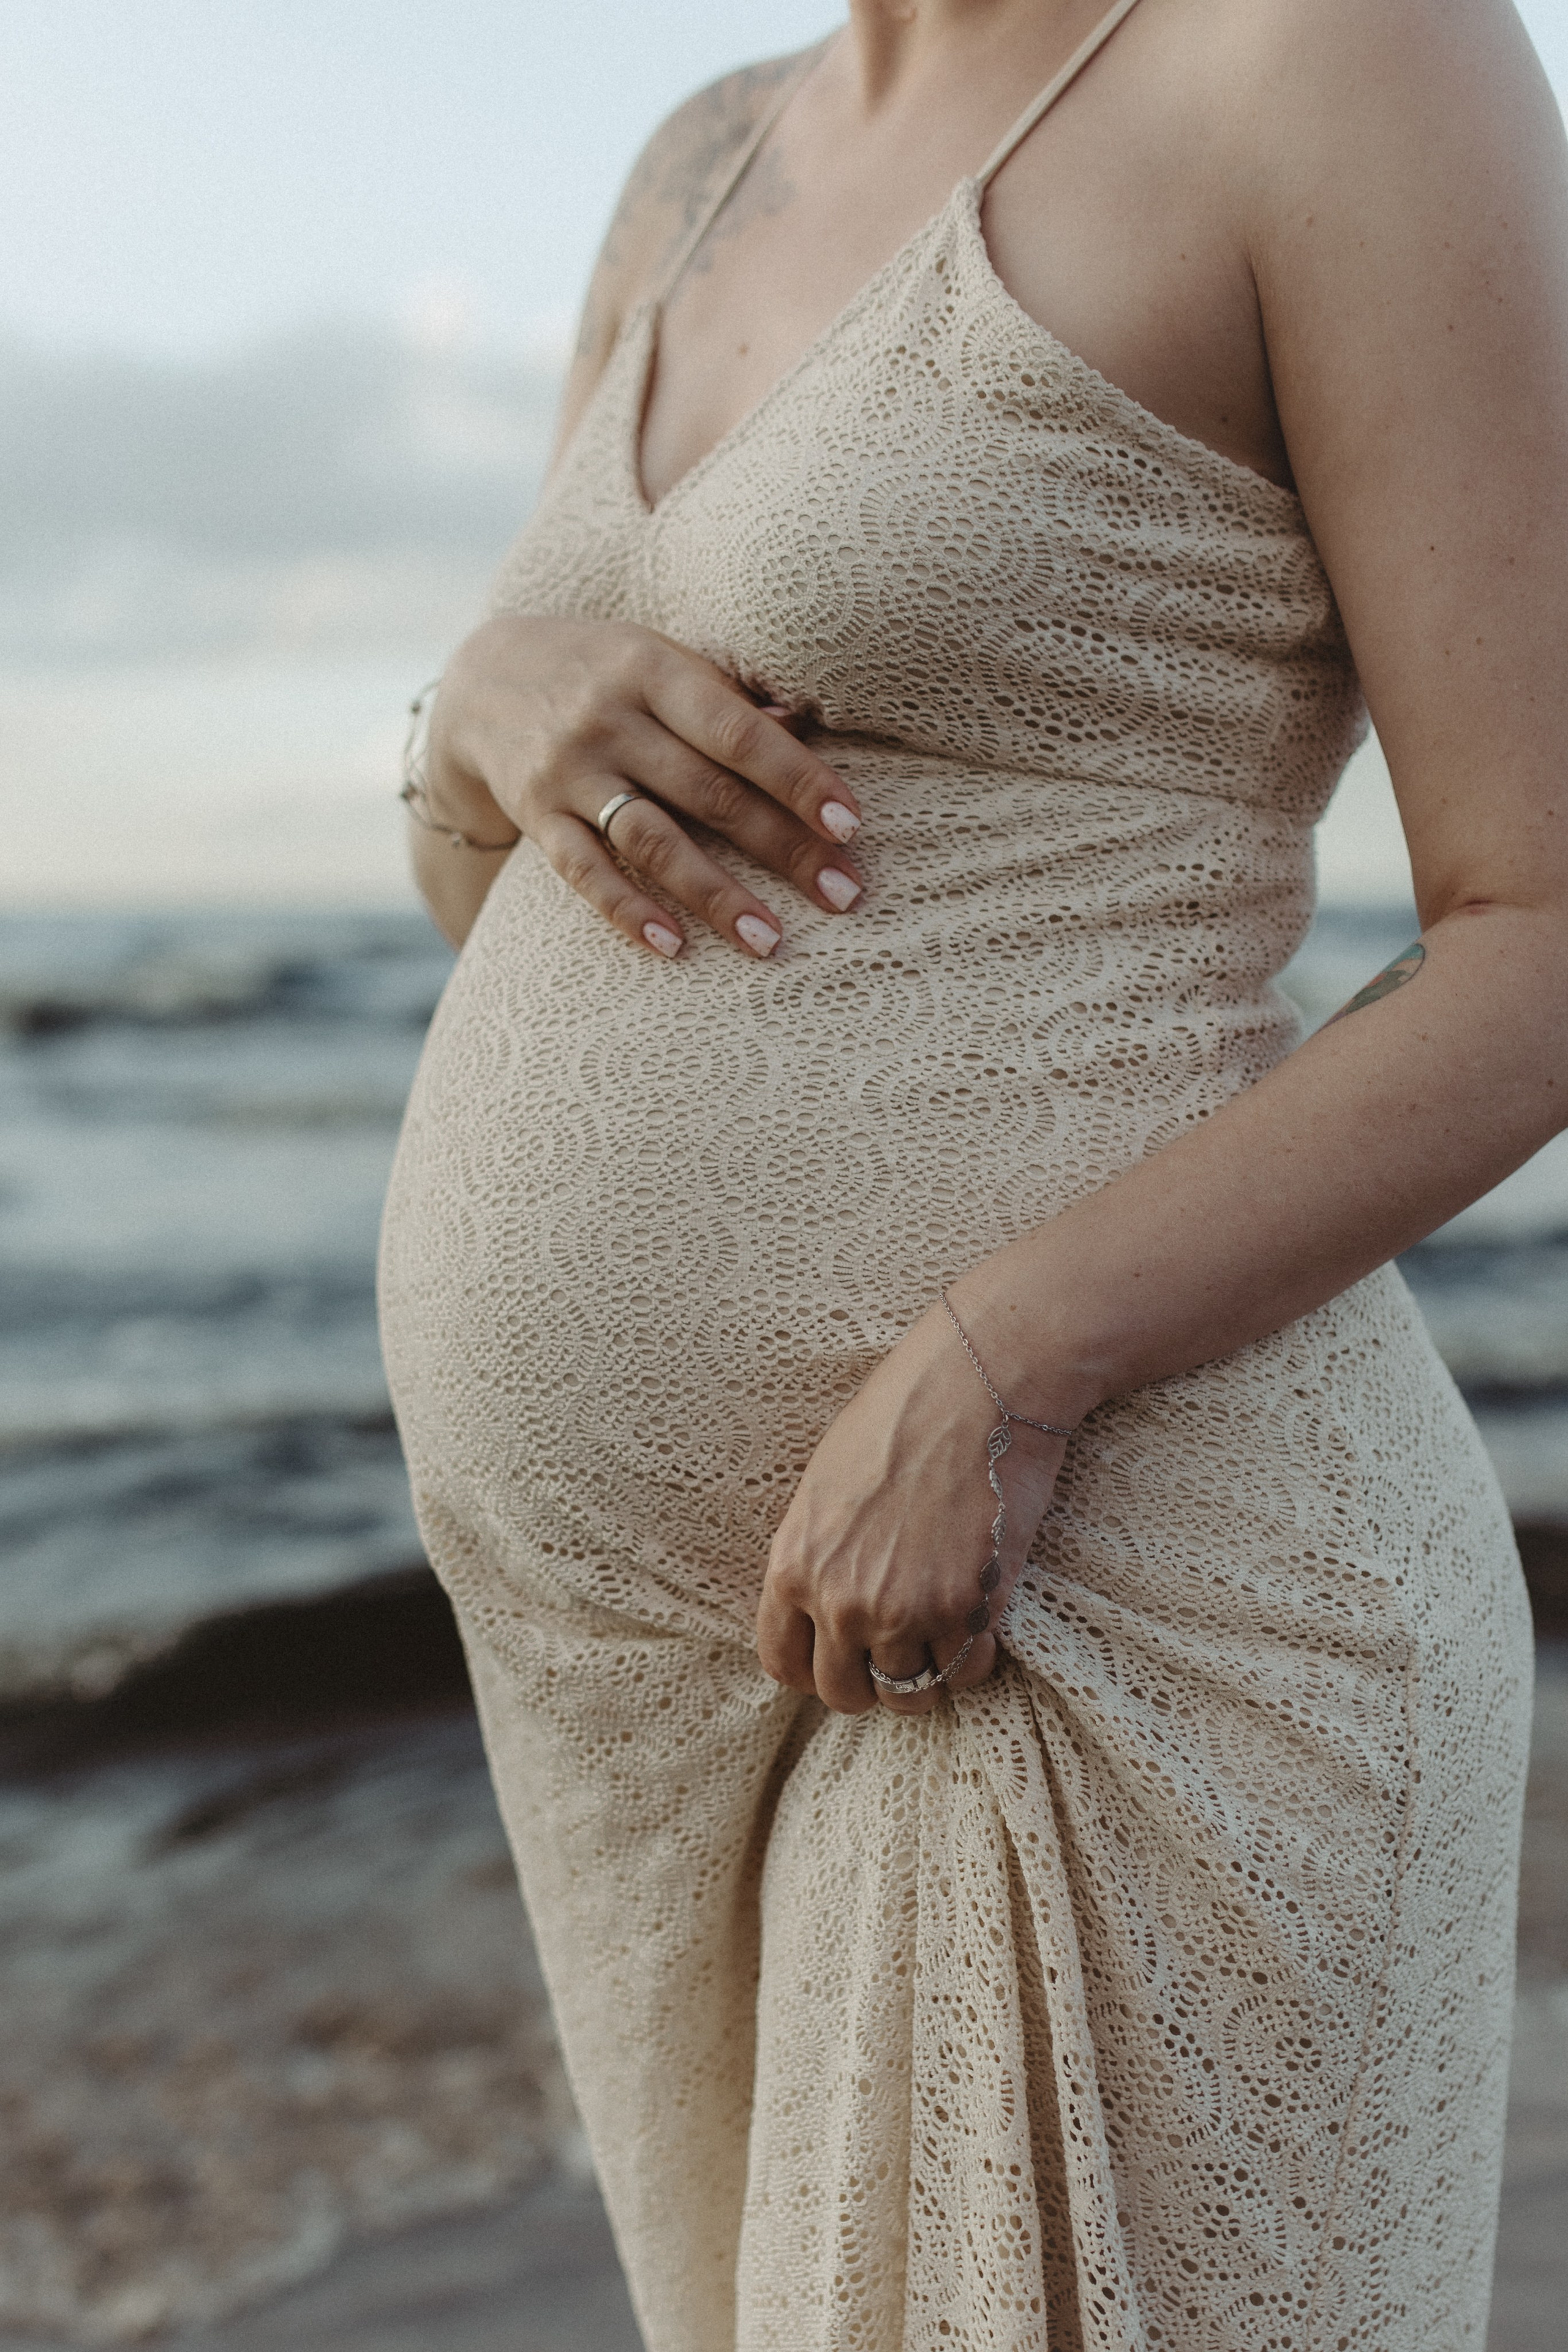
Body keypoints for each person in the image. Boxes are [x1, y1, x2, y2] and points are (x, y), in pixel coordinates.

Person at [377, 1, 1568, 2343]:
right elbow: (542, 898)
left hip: (1094, 1596)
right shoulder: (697, 163)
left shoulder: (1334, 57)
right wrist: (483, 709)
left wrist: (1003, 1363)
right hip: (645, 1702)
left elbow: (1546, 931)